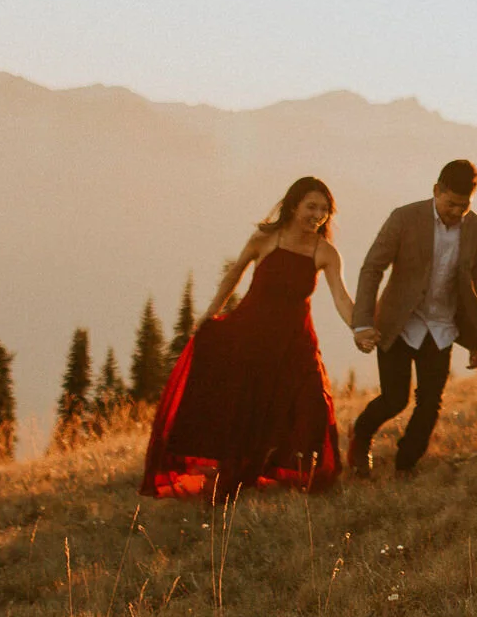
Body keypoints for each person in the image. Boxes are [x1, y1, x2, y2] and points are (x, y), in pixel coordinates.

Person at [141, 176, 353, 500]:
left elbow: (341, 296)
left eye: (324, 210)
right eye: (312, 206)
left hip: (296, 343)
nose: (318, 215)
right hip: (252, 334)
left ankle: (303, 474)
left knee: (313, 405)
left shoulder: (325, 252)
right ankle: (238, 472)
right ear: (293, 205)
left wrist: (360, 327)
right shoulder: (266, 238)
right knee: (248, 411)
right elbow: (234, 273)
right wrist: (210, 315)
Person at [347, 159, 477, 477]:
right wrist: (363, 323)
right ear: (437, 190)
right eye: (451, 203)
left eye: (463, 206)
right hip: (399, 323)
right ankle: (359, 438)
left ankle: (406, 465)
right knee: (395, 398)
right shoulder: (405, 218)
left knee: (430, 402)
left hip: (442, 326)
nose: (456, 211)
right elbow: (372, 268)